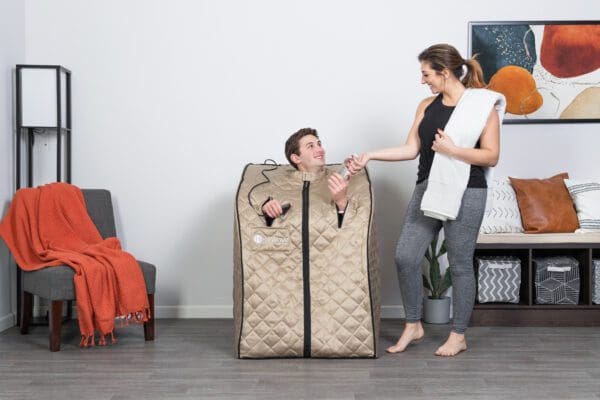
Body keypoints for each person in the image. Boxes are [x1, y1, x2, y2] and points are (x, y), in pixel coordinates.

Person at [346, 43, 504, 357]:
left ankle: (458, 334)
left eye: (426, 73)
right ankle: (413, 324)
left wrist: (453, 150)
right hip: (428, 186)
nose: (423, 80)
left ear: (444, 72)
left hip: (467, 191)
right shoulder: (425, 106)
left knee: (459, 265)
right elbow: (410, 149)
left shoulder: (481, 107)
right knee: (406, 255)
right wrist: (370, 155)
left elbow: (491, 156)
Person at [257, 128, 349, 227]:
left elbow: (351, 230)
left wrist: (341, 202)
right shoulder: (277, 186)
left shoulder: (339, 179)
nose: (321, 150)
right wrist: (266, 210)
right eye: (311, 146)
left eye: (319, 144)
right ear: (296, 158)